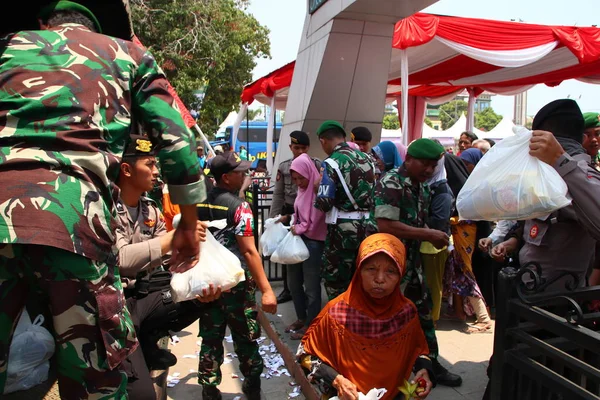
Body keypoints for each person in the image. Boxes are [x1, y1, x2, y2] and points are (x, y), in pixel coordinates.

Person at [0, 3, 204, 397]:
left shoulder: (8, 47)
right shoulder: (127, 54)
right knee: (97, 376)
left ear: (44, 25)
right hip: (75, 226)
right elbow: (178, 143)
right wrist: (189, 225)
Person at [114, 136, 220, 398]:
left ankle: (150, 339)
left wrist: (190, 256)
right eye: (149, 164)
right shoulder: (106, 209)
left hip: (145, 298)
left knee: (204, 294)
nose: (156, 171)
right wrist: (173, 238)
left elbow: (166, 258)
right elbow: (120, 260)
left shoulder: (149, 210)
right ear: (126, 170)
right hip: (119, 308)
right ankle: (142, 346)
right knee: (143, 395)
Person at [297, 234, 434, 400]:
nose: (379, 279)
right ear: (359, 270)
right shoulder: (336, 312)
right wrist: (336, 380)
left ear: (401, 275)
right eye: (371, 269)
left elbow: (419, 351)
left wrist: (424, 371)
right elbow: (306, 356)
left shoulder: (406, 313)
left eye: (391, 271)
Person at [374, 138, 462, 387]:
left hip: (412, 264)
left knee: (423, 314)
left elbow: (416, 222)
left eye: (434, 165)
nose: (429, 170)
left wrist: (434, 237)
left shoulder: (422, 187)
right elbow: (386, 225)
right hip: (388, 266)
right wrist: (428, 234)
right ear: (409, 159)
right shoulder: (391, 182)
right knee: (384, 319)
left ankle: (431, 364)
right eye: (425, 163)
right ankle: (382, 373)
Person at [489, 99, 600, 292]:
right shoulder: (545, 173)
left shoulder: (579, 173)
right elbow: (536, 221)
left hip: (561, 300)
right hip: (529, 289)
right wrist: (513, 241)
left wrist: (562, 163)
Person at [196, 152, 278, 400]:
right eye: (239, 172)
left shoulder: (197, 202)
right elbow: (249, 251)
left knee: (211, 337)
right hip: (236, 284)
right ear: (226, 178)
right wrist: (267, 290)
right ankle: (252, 387)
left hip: (208, 284)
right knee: (245, 338)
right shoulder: (239, 207)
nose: (245, 175)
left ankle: (209, 389)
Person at [315, 120, 377, 300]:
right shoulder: (368, 159)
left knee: (337, 282)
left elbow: (324, 203)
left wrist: (316, 188)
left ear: (323, 141)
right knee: (363, 278)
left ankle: (341, 323)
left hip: (342, 230)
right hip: (368, 227)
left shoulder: (331, 163)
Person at [269, 130, 321, 304]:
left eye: (303, 148)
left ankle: (307, 294)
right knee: (287, 254)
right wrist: (273, 218)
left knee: (306, 260)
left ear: (308, 148)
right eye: (296, 147)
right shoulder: (285, 166)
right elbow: (278, 194)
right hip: (289, 213)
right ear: (290, 147)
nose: (299, 151)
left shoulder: (315, 164)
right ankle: (288, 289)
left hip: (309, 215)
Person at [285, 154, 327, 340]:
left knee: (311, 287)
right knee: (294, 283)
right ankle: (301, 318)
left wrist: (298, 228)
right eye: (295, 179)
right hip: (299, 239)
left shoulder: (318, 190)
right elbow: (300, 215)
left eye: (301, 177)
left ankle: (312, 324)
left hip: (313, 242)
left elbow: (316, 220)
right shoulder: (302, 191)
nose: (299, 182)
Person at [420, 156, 453, 324]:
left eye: (432, 165)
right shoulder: (427, 185)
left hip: (433, 247)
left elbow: (439, 222)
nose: (428, 169)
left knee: (432, 286)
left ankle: (431, 321)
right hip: (424, 244)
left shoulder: (442, 190)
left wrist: (417, 219)